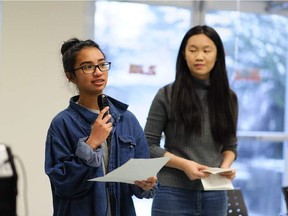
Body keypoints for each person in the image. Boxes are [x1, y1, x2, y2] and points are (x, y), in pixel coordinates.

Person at [45, 38, 158, 216]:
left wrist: (145, 184)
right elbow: (63, 183)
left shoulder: (127, 120)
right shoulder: (62, 123)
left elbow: (141, 184)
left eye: (102, 65)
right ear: (70, 76)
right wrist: (90, 144)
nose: (98, 72)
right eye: (87, 67)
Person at [144, 25, 238, 216]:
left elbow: (231, 146)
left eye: (206, 50)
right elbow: (148, 145)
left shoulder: (229, 98)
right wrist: (185, 165)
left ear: (217, 55)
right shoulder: (166, 95)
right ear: (184, 54)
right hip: (172, 192)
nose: (199, 56)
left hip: (215, 192)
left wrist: (224, 168)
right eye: (193, 50)